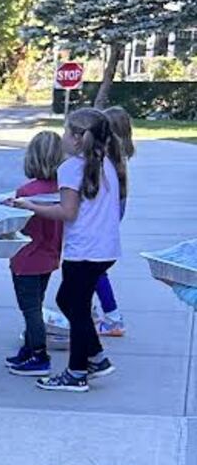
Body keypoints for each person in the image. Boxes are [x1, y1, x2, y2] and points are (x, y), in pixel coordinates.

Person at [10, 107, 122, 395]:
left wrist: (31, 206)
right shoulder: (105, 162)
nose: (62, 137)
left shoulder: (71, 168)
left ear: (76, 137)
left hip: (82, 251)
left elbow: (67, 212)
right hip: (104, 248)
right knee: (69, 301)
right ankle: (96, 357)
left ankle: (76, 372)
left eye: (65, 131)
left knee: (76, 307)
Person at [3, 130, 65, 376]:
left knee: (30, 309)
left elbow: (21, 225)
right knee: (36, 305)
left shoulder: (27, 192)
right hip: (49, 255)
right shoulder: (63, 189)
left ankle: (39, 355)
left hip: (26, 258)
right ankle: (29, 349)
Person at [94, 104, 135, 336]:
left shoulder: (107, 162)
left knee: (95, 271)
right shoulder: (117, 161)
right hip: (109, 224)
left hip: (102, 227)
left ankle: (113, 318)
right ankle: (95, 312)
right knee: (92, 272)